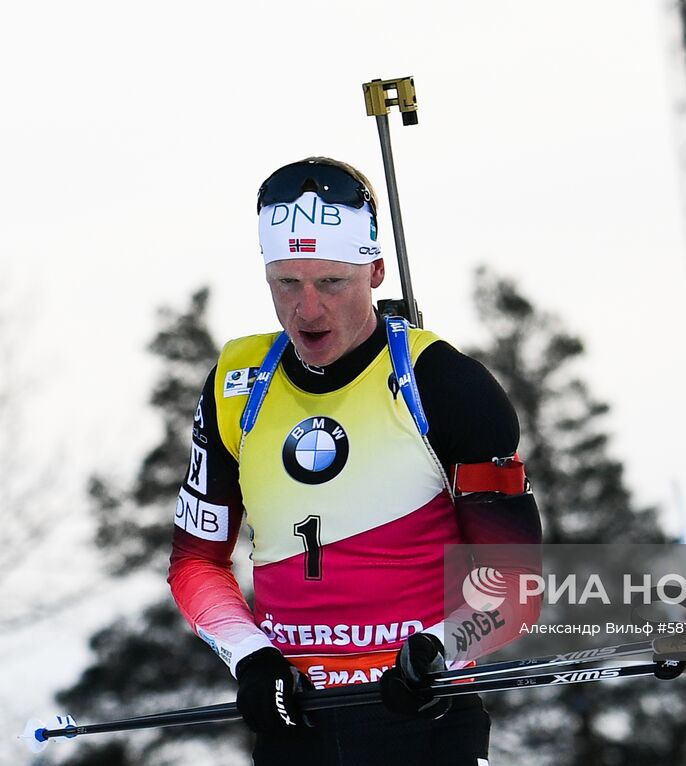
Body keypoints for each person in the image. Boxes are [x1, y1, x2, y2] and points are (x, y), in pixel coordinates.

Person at [168, 157, 543, 765]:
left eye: (331, 283)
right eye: (286, 284)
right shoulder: (236, 386)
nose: (307, 310)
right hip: (297, 721)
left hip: (423, 715)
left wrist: (438, 650)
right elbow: (195, 563)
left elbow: (516, 582)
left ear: (374, 271)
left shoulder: (442, 383)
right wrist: (251, 657)